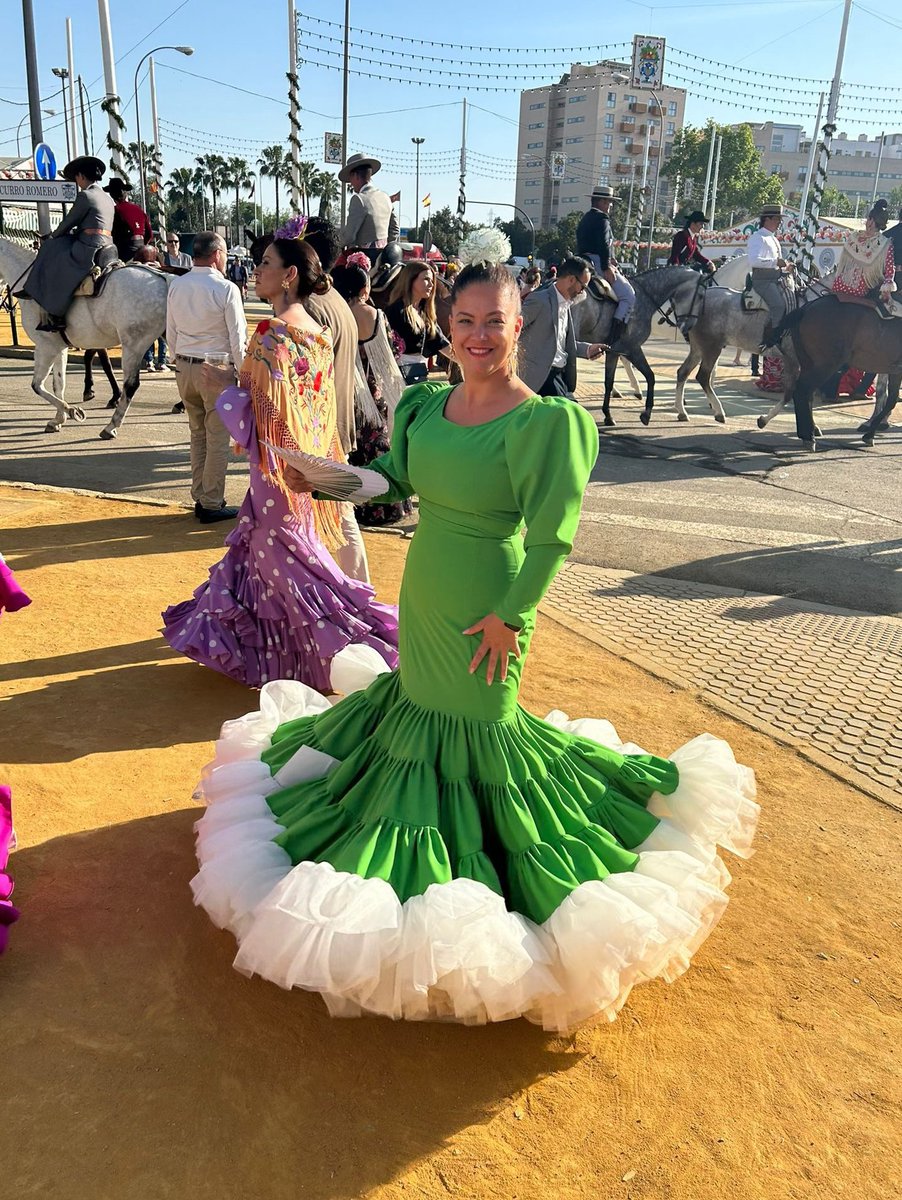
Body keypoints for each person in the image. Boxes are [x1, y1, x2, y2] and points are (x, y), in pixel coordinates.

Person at [189, 260, 758, 1031]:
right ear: (448, 326)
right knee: (416, 711)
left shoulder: (546, 422)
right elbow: (391, 481)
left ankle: (495, 885)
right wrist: (325, 479)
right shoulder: (427, 403)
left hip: (490, 599)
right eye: (465, 321)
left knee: (484, 731)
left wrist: (510, 619)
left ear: (520, 325)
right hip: (427, 588)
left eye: (495, 320)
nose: (479, 335)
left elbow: (554, 539)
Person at [162, 227, 398, 689]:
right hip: (306, 465)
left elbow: (261, 420)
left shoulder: (271, 334)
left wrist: (224, 390)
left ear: (289, 275)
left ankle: (351, 645)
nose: (257, 270)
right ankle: (284, 657)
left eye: (266, 263)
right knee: (273, 561)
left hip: (276, 471)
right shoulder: (316, 332)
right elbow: (310, 406)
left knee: (287, 567)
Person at [301, 215, 372, 584]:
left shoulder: (310, 306)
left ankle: (355, 599)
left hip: (318, 434)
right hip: (335, 427)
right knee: (337, 521)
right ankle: (356, 595)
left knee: (335, 521)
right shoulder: (335, 300)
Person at [166, 231, 247, 523]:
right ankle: (212, 501)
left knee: (197, 433)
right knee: (216, 438)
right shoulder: (226, 289)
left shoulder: (178, 285)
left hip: (185, 365)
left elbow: (170, 330)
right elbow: (237, 338)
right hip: (215, 367)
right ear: (217, 255)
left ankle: (200, 494)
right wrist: (242, 373)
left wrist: (177, 360)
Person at [331, 256, 412, 527]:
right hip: (374, 391)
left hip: (346, 389)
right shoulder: (375, 315)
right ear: (364, 289)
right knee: (379, 447)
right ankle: (385, 506)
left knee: (353, 449)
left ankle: (354, 506)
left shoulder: (336, 316)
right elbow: (393, 351)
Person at [19, 155, 116, 333]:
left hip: (88, 246)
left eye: (76, 178)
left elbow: (68, 222)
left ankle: (53, 312)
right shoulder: (107, 198)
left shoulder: (86, 195)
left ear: (81, 176)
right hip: (108, 245)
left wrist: (51, 237)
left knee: (52, 250)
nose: (77, 181)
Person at [517, 256, 606, 398]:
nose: (582, 292)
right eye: (582, 287)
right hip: (540, 380)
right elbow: (512, 329)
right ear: (571, 279)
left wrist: (587, 349)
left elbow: (559, 342)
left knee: (574, 416)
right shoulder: (540, 300)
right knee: (573, 416)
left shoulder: (566, 305)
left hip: (560, 378)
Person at [575, 184, 636, 344]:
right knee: (628, 296)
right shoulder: (602, 219)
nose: (610, 205)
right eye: (608, 202)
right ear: (601, 202)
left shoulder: (585, 218)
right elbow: (603, 245)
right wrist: (606, 266)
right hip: (597, 262)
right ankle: (615, 337)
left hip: (583, 260)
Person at [384, 261, 450, 383]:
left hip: (418, 375)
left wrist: (469, 362)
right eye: (426, 279)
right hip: (397, 378)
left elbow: (442, 343)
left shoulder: (424, 313)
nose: (431, 284)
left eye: (432, 280)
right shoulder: (395, 311)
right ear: (410, 280)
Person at [831, 199, 895, 305]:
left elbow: (889, 268)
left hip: (862, 284)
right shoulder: (854, 237)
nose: (869, 224)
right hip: (843, 281)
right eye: (870, 219)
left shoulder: (884, 244)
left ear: (878, 224)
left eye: (874, 222)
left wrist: (888, 285)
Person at [337, 153, 400, 258]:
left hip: (365, 257)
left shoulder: (359, 199)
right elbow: (395, 228)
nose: (350, 183)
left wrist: (335, 243)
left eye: (350, 179)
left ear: (355, 176)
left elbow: (349, 236)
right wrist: (385, 247)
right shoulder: (385, 197)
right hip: (384, 256)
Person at [747, 203, 795, 336]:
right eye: (776, 219)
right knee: (779, 306)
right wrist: (775, 262)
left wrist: (786, 266)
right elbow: (753, 260)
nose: (779, 223)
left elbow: (778, 263)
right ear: (767, 219)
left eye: (780, 220)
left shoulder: (773, 238)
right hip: (763, 281)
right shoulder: (758, 237)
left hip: (776, 278)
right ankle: (773, 337)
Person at [105, 177, 153, 262]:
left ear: (112, 195)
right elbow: (149, 234)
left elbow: (112, 235)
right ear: (126, 194)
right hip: (142, 248)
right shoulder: (138, 209)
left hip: (125, 251)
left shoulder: (114, 211)